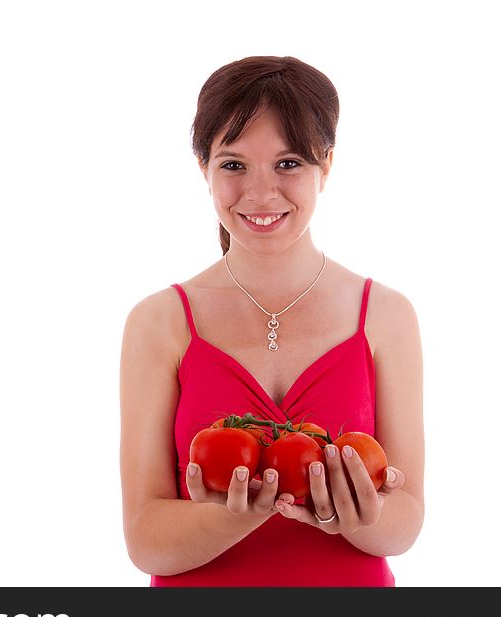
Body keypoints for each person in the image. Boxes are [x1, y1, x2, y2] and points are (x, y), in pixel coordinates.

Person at [118, 56, 424, 586]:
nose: (261, 194)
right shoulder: (159, 322)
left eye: (288, 164)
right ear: (203, 169)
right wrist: (234, 516)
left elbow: (406, 521)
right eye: (233, 165)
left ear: (325, 165)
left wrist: (353, 514)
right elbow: (145, 538)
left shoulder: (387, 316)